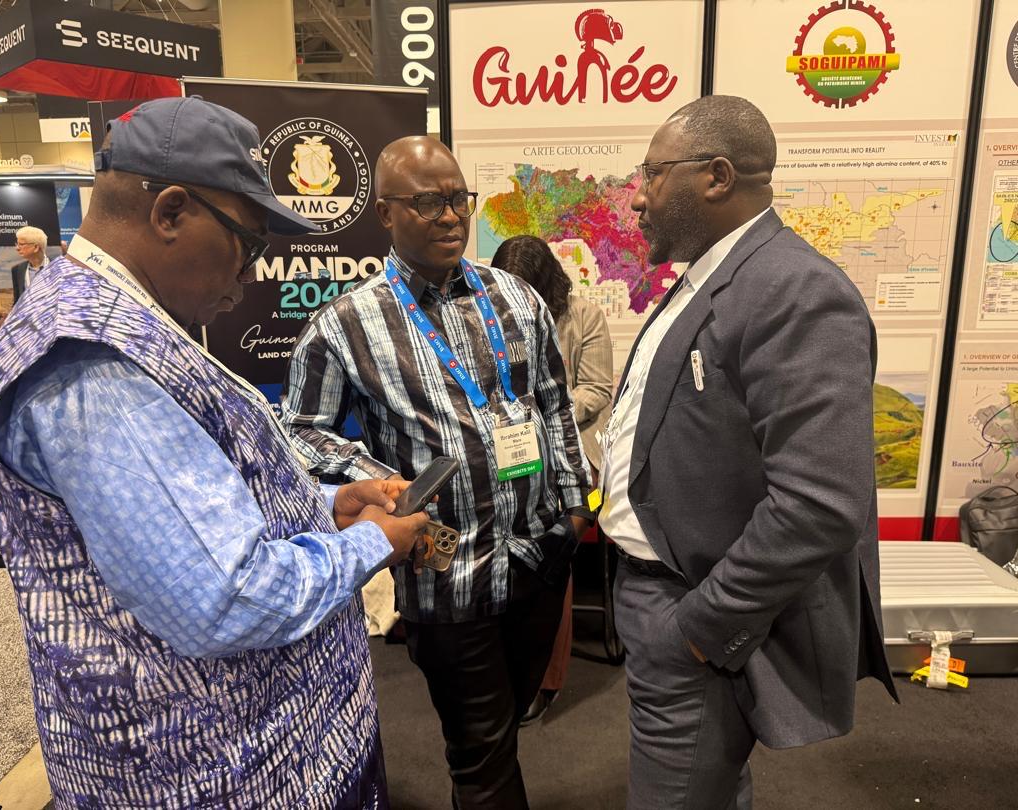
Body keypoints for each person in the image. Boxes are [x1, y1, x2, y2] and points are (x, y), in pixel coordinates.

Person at [0, 96, 430, 809]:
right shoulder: (91, 365)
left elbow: (201, 509)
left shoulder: (124, 321)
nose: (249, 278)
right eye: (249, 245)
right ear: (171, 212)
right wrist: (370, 543)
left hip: (276, 749)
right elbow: (223, 598)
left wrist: (329, 505)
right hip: (215, 774)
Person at [600, 95, 897, 809]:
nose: (638, 197)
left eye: (653, 173)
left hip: (694, 612)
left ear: (717, 176)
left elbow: (821, 504)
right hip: (662, 592)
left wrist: (702, 627)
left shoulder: (796, 289)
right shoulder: (710, 276)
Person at [283, 136, 593, 810]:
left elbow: (552, 402)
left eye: (458, 198)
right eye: (428, 203)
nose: (450, 215)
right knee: (480, 751)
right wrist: (380, 478)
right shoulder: (345, 324)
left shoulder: (516, 297)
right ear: (385, 214)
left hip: (539, 556)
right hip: (448, 570)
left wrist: (574, 510)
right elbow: (301, 430)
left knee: (503, 729)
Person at [492, 234, 613, 725]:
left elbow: (597, 389)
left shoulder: (583, 317)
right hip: (509, 452)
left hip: (574, 454)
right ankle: (499, 667)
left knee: (549, 552)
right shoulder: (484, 315)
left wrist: (543, 414)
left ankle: (545, 677)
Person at [11, 225, 50, 303]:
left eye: (21, 244)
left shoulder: (59, 268)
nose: (17, 248)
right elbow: (17, 301)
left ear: (36, 247)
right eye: (17, 244)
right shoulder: (17, 270)